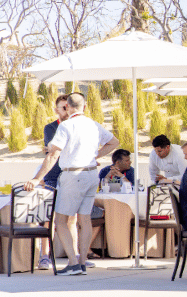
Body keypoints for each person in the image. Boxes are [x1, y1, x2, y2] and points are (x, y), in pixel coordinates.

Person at [25, 93, 119, 276]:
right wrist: (95, 157)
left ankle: (73, 263)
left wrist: (37, 178)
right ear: (84, 107)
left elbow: (53, 155)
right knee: (84, 219)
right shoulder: (93, 124)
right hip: (92, 174)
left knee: (60, 221)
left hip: (73, 175)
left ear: (67, 107)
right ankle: (82, 262)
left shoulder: (66, 126)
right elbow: (114, 142)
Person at [37, 94, 69, 270]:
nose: (65, 110)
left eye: (67, 106)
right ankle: (44, 256)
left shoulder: (75, 126)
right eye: (62, 107)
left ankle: (76, 255)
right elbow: (52, 149)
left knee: (72, 219)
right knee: (48, 217)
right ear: (56, 110)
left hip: (70, 176)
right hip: (52, 176)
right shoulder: (50, 127)